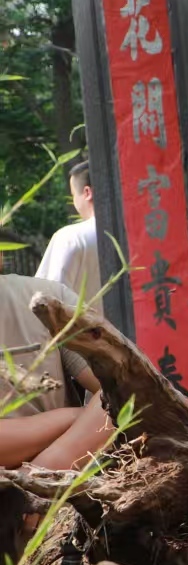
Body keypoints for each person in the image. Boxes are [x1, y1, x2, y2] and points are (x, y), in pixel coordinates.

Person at [0, 274, 112, 470]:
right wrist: (78, 419)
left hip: (72, 478)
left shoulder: (49, 301)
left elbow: (128, 391)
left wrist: (34, 475)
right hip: (72, 471)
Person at [36, 161, 100, 298]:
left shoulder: (70, 238)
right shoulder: (137, 234)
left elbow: (49, 298)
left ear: (87, 193)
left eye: (73, 195)